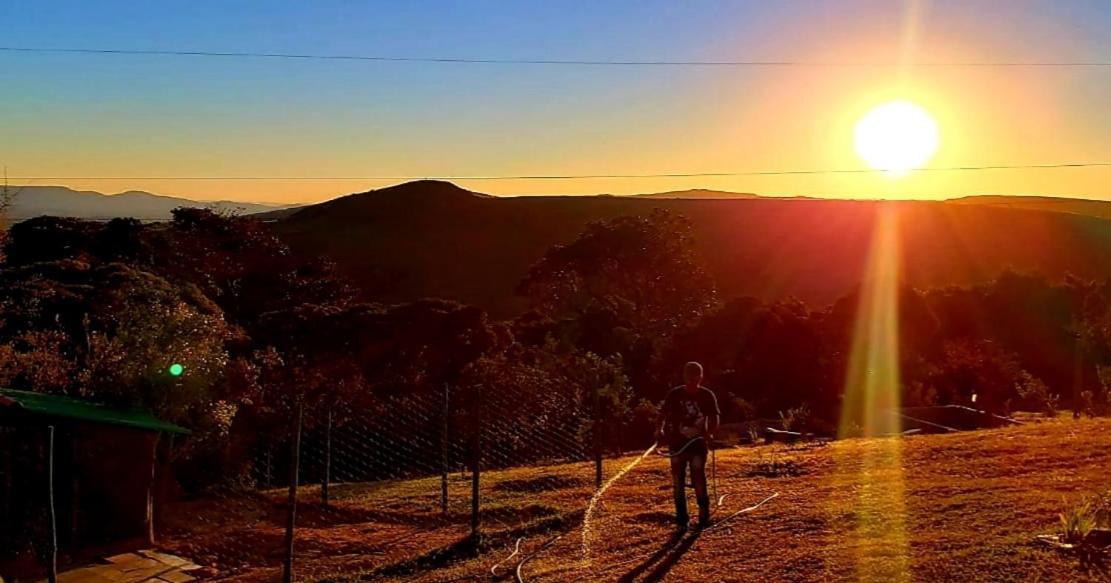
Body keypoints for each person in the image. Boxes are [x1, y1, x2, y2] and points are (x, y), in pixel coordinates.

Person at [656, 361, 720, 530]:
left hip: (697, 445)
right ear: (684, 377)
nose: (692, 381)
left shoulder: (707, 395)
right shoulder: (675, 394)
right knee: (678, 482)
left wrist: (710, 432)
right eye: (689, 377)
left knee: (698, 478)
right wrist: (659, 429)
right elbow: (662, 414)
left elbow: (714, 417)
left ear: (700, 377)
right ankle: (682, 519)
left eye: (695, 377)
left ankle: (703, 515)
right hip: (677, 444)